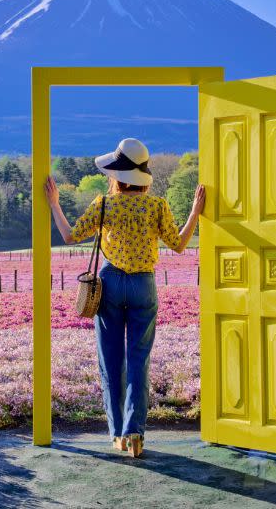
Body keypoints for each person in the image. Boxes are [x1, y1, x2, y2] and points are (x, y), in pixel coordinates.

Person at [44, 138, 205, 457]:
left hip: (110, 284)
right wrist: (196, 211)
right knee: (138, 361)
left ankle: (117, 434)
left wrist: (54, 203)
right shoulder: (157, 206)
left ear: (117, 175)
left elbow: (69, 235)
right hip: (144, 285)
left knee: (111, 361)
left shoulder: (104, 204)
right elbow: (179, 243)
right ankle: (135, 435)